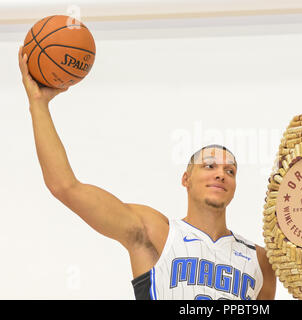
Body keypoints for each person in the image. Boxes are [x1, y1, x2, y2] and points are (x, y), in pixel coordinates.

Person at [18, 46, 276, 300]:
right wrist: (38, 105)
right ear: (186, 179)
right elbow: (65, 186)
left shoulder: (260, 260)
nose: (220, 174)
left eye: (229, 170)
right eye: (209, 166)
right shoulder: (156, 231)